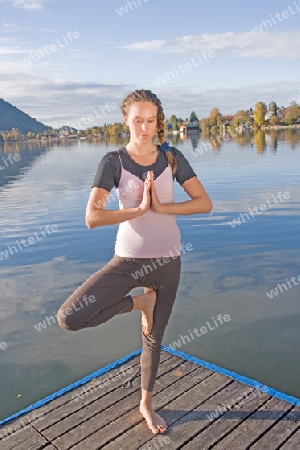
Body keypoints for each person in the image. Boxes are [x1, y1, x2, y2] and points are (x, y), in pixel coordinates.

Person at [56, 89, 212, 435]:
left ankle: (146, 403)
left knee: (154, 338)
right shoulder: (114, 162)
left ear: (159, 122)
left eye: (151, 120)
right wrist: (138, 210)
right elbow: (92, 217)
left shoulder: (172, 158)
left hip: (169, 261)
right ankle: (139, 302)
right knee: (70, 317)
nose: (144, 127)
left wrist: (162, 208)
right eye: (138, 120)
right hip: (128, 259)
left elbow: (204, 203)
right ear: (126, 120)